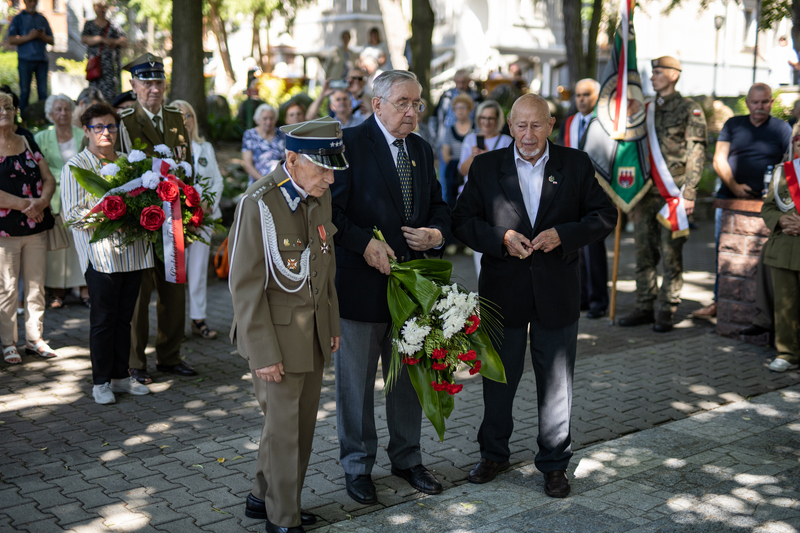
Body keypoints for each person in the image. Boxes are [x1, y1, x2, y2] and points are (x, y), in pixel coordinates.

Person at [451, 93, 617, 497]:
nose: (528, 134)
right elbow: (461, 221)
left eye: (537, 125)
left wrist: (564, 234)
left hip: (557, 293)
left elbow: (604, 215)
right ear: (509, 127)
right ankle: (493, 453)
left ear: (551, 125)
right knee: (498, 381)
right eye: (521, 126)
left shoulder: (574, 164)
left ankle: (555, 464)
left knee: (557, 384)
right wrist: (500, 237)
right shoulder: (487, 166)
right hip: (502, 293)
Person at [331, 70, 451, 505]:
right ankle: (358, 465)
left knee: (407, 381)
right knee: (356, 385)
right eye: (403, 102)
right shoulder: (347, 144)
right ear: (376, 104)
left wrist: (436, 234)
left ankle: (407, 458)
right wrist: (364, 244)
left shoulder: (421, 149)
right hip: (360, 288)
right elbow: (329, 211)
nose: (412, 112)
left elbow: (439, 204)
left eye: (417, 103)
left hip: (410, 290)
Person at [229, 117, 345, 533]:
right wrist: (261, 353)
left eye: (334, 168)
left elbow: (324, 268)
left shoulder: (318, 196)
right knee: (285, 434)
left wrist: (330, 323)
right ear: (292, 159)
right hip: (274, 339)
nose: (330, 178)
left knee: (298, 427)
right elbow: (244, 286)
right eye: (322, 168)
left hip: (310, 333)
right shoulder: (258, 202)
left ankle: (262, 499)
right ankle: (282, 518)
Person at [61, 103, 153, 402]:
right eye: (98, 127)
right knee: (103, 319)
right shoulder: (77, 165)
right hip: (101, 256)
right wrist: (110, 214)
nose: (106, 133)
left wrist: (137, 214)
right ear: (86, 130)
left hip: (134, 254)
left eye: (111, 127)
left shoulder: (130, 163)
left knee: (124, 319)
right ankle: (100, 381)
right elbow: (73, 215)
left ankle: (120, 376)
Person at [116, 53, 196, 385]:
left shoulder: (177, 119)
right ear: (133, 86)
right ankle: (136, 362)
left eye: (158, 82)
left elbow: (187, 165)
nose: (153, 89)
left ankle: (169, 355)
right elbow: (116, 174)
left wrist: (191, 208)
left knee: (174, 290)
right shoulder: (124, 121)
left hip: (174, 219)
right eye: (146, 83)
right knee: (139, 295)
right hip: (141, 222)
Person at [616, 57, 707, 332]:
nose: (653, 77)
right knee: (643, 253)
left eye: (658, 72)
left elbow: (697, 153)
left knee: (671, 254)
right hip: (645, 193)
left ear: (674, 75)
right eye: (653, 72)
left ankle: (667, 307)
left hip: (674, 194)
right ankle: (644, 305)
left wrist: (689, 192)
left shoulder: (690, 110)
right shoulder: (646, 108)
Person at [694, 83, 791, 319]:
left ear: (771, 102)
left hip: (770, 204)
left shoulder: (781, 128)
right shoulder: (733, 124)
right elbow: (719, 160)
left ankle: (766, 310)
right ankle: (720, 302)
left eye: (765, 102)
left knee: (765, 258)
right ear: (747, 102)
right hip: (729, 199)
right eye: (755, 102)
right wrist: (735, 187)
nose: (760, 107)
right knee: (724, 255)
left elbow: (790, 164)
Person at [0, 91, 59, 364]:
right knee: (7, 289)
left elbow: (48, 178)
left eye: (9, 106)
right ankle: (7, 342)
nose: (4, 111)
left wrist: (44, 200)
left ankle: (35, 339)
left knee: (36, 287)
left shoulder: (27, 140)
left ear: (15, 111)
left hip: (35, 227)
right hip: (5, 232)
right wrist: (28, 203)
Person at [556, 78, 608, 318]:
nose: (581, 99)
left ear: (596, 97)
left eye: (586, 95)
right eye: (577, 95)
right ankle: (582, 297)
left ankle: (598, 299)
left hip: (597, 191)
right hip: (573, 191)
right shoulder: (570, 122)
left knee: (594, 247)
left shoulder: (606, 123)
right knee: (576, 245)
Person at [172, 100, 223, 341]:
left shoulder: (206, 148)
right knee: (176, 271)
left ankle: (198, 319)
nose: (185, 120)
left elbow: (217, 181)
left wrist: (208, 204)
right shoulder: (166, 151)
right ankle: (175, 322)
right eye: (179, 116)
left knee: (198, 270)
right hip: (175, 219)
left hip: (202, 218)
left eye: (189, 115)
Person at [35, 94, 88, 309]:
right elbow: (37, 168)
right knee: (58, 243)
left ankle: (84, 288)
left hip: (79, 194)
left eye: (66, 109)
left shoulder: (81, 134)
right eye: (58, 109)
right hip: (53, 196)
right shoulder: (40, 138)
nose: (63, 113)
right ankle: (57, 291)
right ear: (50, 114)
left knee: (80, 242)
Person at [458, 100, 514, 276]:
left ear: (497, 119)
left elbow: (510, 172)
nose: (486, 122)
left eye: (491, 118)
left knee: (498, 239)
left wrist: (489, 157)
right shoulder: (470, 139)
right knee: (479, 241)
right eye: (483, 117)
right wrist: (474, 157)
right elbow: (462, 170)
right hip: (475, 197)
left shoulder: (505, 140)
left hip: (499, 198)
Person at [761, 124, 800, 372]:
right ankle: (787, 353)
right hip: (785, 247)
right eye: (798, 138)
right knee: (785, 303)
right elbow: (768, 208)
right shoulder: (781, 172)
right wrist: (781, 219)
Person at [7, 0, 53, 112]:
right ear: (25, 2)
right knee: (25, 92)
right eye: (30, 1)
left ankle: (44, 119)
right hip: (25, 60)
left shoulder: (42, 18)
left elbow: (52, 40)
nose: (33, 3)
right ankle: (23, 120)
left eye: (35, 1)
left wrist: (42, 36)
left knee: (43, 92)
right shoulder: (18, 18)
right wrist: (29, 36)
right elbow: (11, 39)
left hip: (41, 60)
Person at [81, 0, 128, 103]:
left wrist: (113, 42)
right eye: (98, 6)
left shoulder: (113, 25)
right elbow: (84, 39)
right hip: (95, 67)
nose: (101, 9)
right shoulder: (89, 24)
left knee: (113, 95)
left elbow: (125, 42)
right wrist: (101, 39)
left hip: (111, 68)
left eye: (103, 7)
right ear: (94, 8)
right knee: (94, 94)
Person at [440, 94, 474, 208]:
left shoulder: (475, 129)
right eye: (457, 108)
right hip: (453, 173)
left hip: (471, 170)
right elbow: (445, 155)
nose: (460, 111)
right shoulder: (449, 130)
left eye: (463, 108)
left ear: (469, 109)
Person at [242, 104, 286, 186]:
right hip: (258, 184)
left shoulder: (282, 135)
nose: (268, 122)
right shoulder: (250, 135)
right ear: (257, 120)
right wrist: (265, 182)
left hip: (281, 183)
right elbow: (247, 165)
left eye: (272, 118)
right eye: (265, 118)